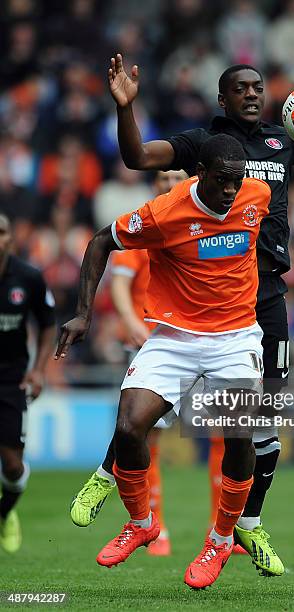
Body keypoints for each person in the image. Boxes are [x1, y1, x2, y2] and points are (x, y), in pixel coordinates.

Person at [75, 27, 294, 576]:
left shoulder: (282, 140)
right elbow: (138, 156)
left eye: (257, 86)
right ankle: (118, 480)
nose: (251, 94)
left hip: (264, 299)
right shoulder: (202, 143)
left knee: (258, 425)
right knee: (152, 417)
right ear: (222, 98)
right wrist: (127, 108)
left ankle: (244, 526)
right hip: (204, 295)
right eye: (240, 87)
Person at [55, 134, 271, 589]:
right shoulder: (164, 213)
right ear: (202, 175)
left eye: (237, 181)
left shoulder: (258, 193)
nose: (232, 191)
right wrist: (83, 314)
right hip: (174, 337)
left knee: (238, 437)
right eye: (222, 182)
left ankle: (220, 538)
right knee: (130, 427)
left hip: (235, 338)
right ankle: (141, 522)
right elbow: (99, 242)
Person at [70, 170, 187, 559]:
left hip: (201, 338)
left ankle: (227, 532)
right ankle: (155, 525)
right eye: (162, 178)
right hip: (151, 342)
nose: (168, 184)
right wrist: (133, 324)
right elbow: (119, 283)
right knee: (140, 432)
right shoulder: (147, 224)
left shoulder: (200, 221)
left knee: (228, 437)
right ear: (152, 185)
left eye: (177, 177)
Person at [0, 214, 56, 553]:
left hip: (11, 377)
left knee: (13, 465)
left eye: (1, 231)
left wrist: (38, 371)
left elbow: (48, 323)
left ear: (10, 239)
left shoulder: (29, 278)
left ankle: (6, 514)